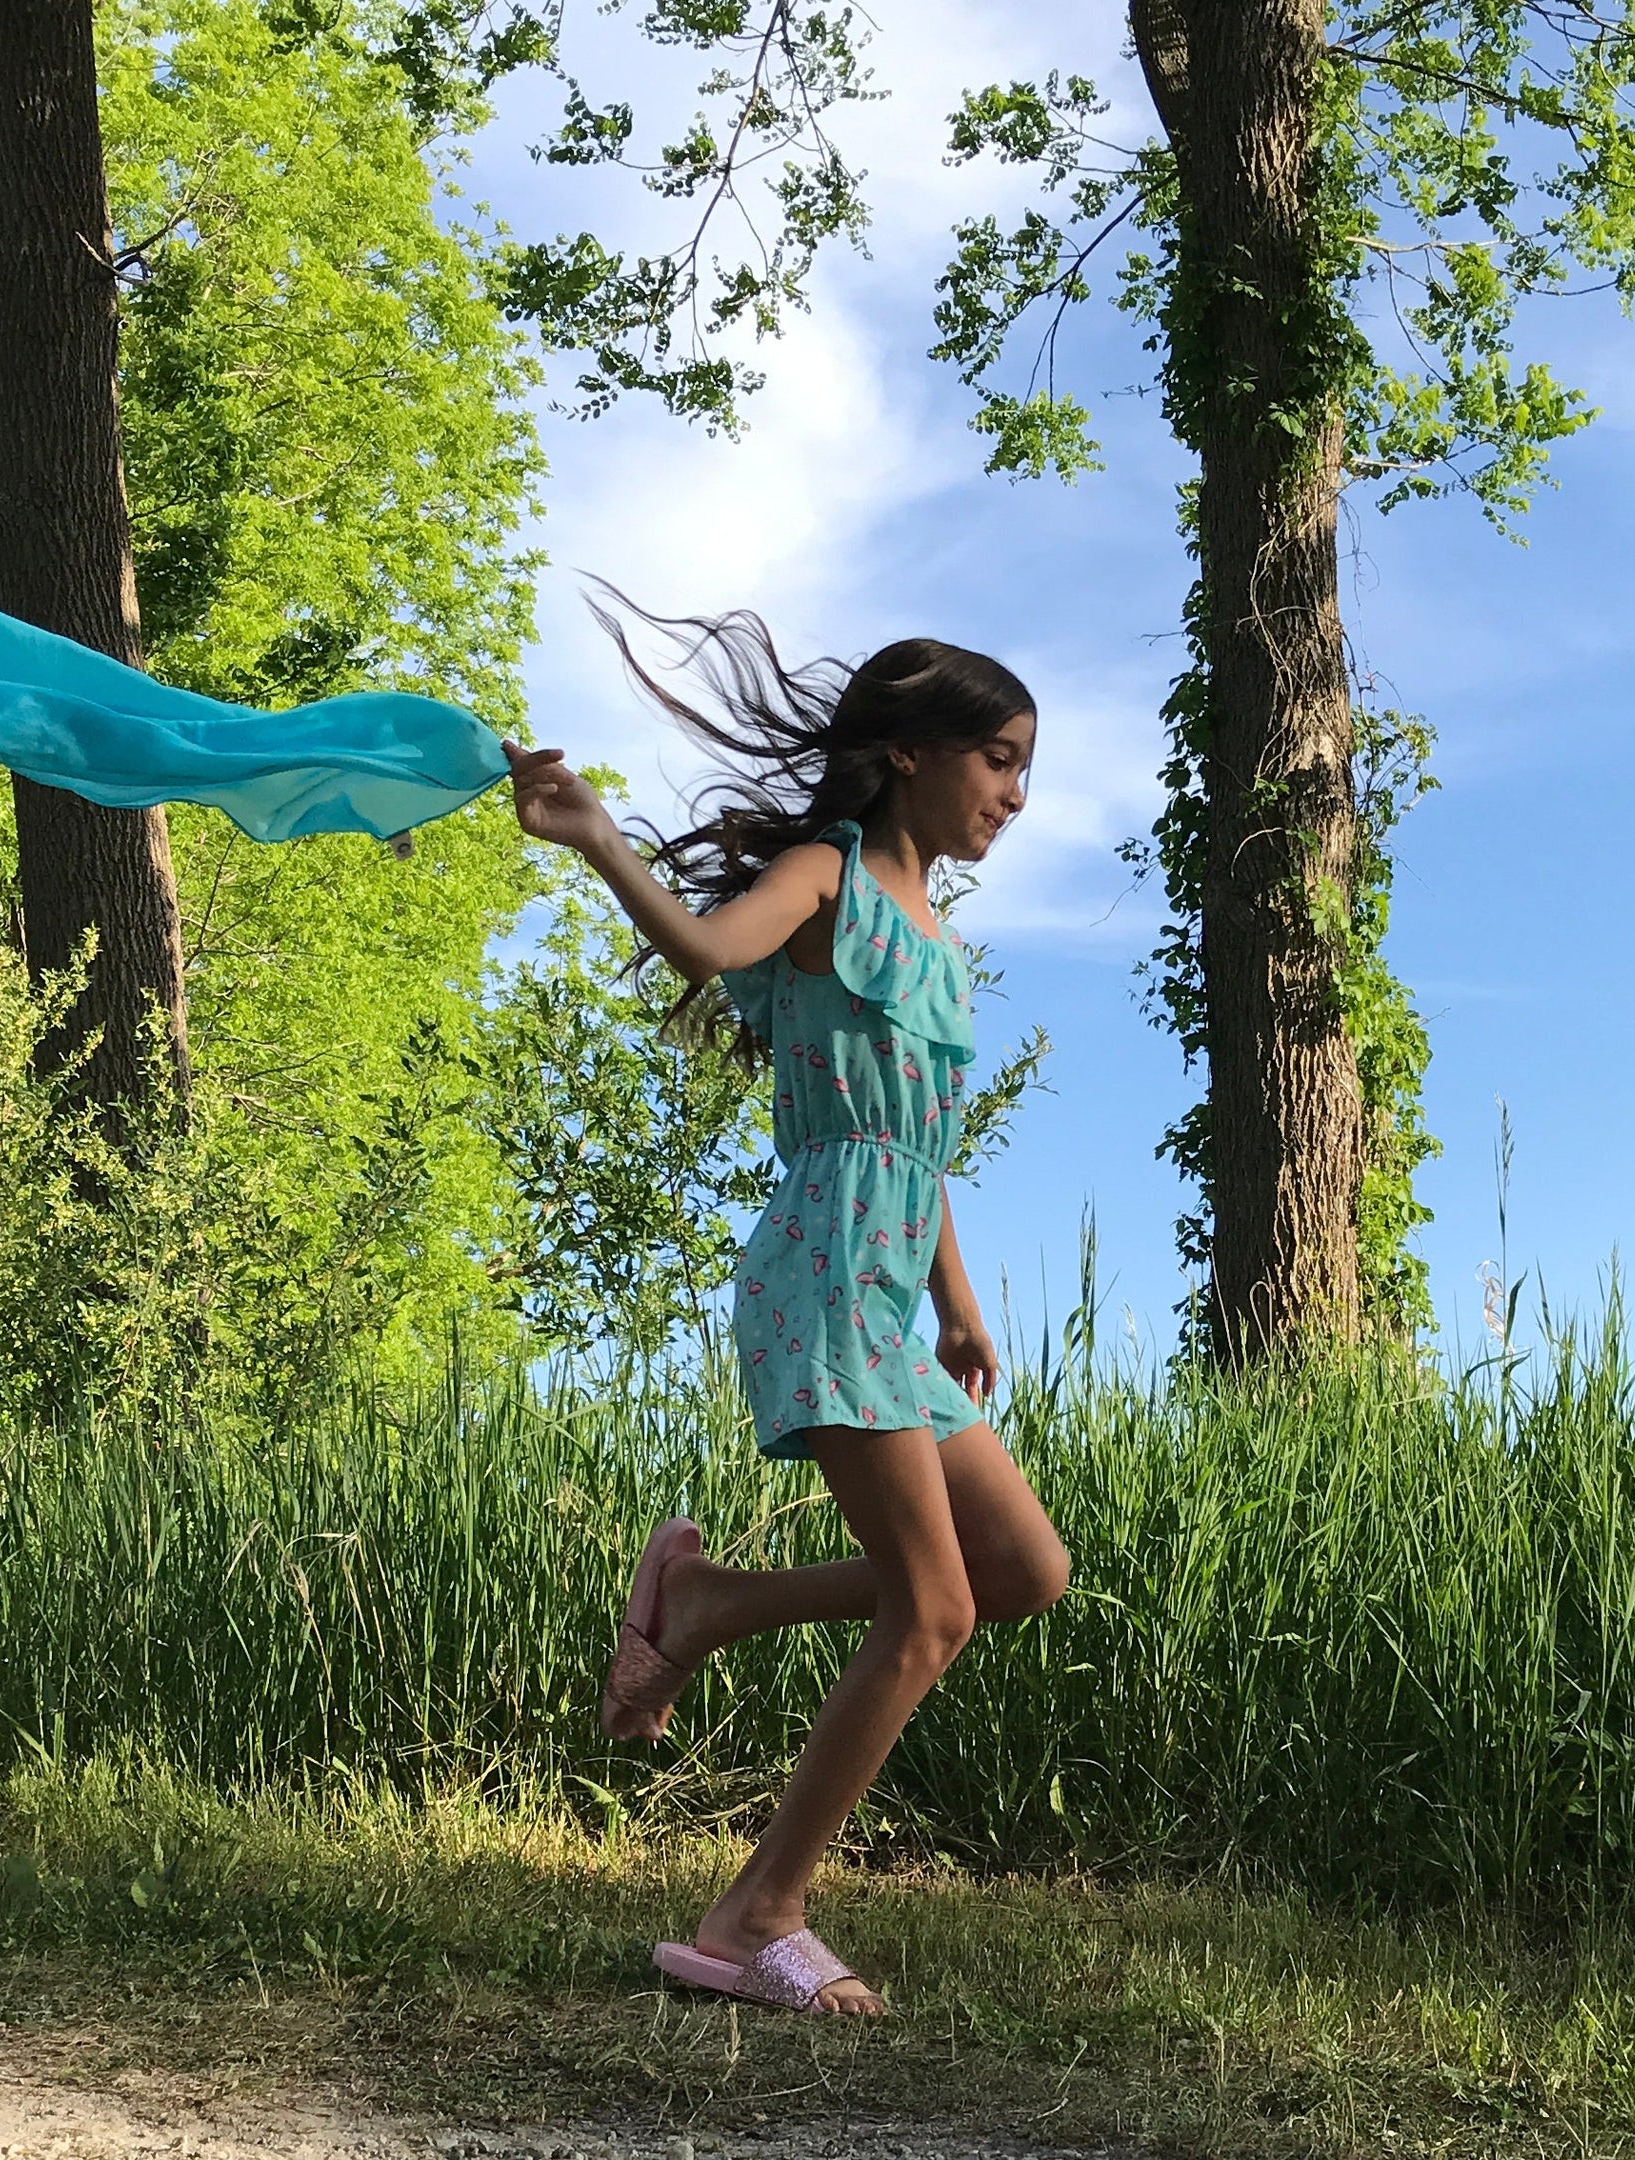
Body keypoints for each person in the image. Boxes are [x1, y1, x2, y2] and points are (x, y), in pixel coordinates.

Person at [502, 596, 1072, 2019]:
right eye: (997, 759)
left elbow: (917, 1144)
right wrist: (594, 839)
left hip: (891, 1283)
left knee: (1016, 1575)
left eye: (1023, 769)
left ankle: (703, 1603)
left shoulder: (933, 934)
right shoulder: (825, 878)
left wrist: (958, 1304)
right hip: (821, 1269)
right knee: (932, 1609)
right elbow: (706, 949)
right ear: (903, 756)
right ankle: (759, 1911)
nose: (1014, 794)